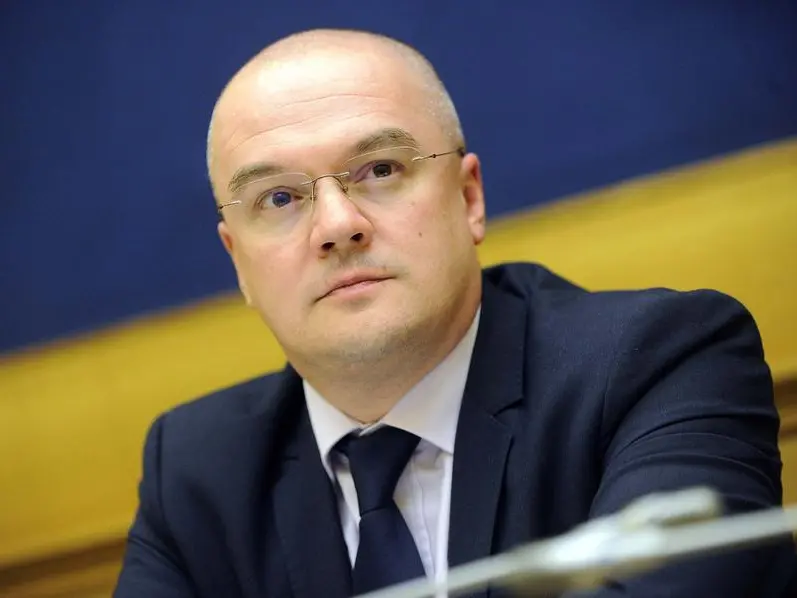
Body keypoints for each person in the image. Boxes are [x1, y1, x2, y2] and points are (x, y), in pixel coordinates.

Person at [114, 28, 796, 597]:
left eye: (380, 169)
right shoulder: (197, 472)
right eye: (279, 199)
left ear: (468, 198)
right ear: (238, 262)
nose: (337, 226)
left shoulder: (661, 362)